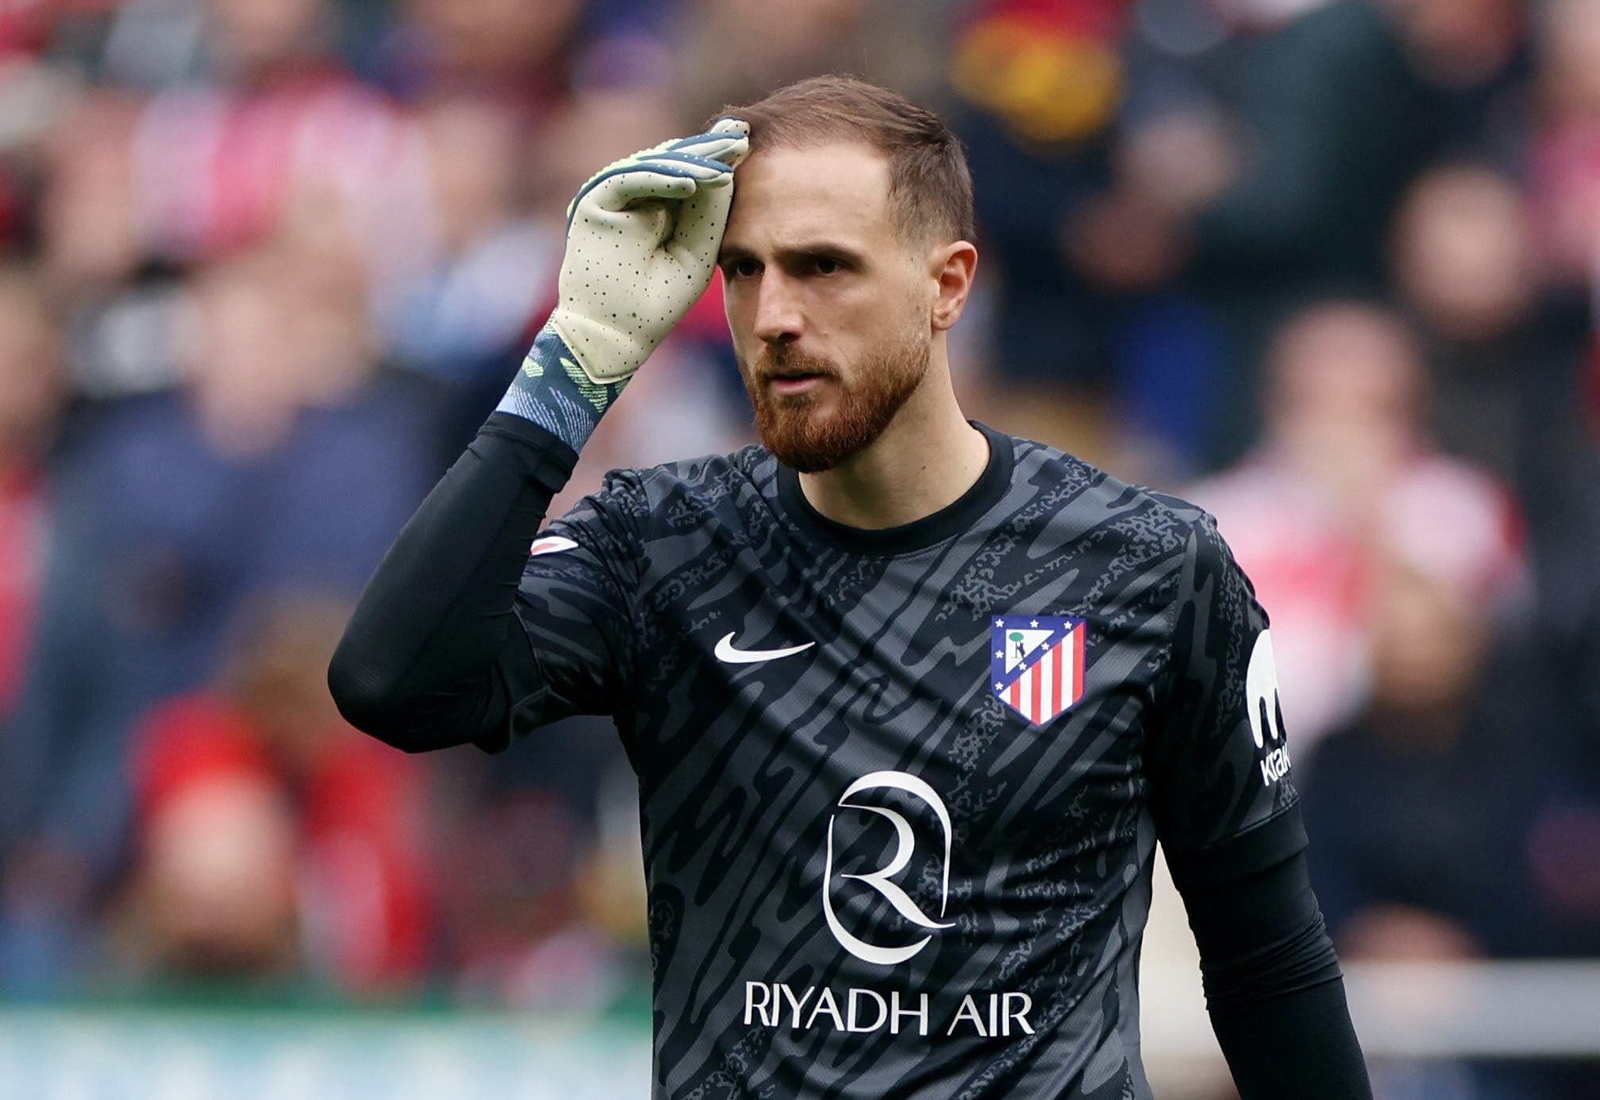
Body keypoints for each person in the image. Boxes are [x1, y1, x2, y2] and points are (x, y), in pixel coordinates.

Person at [330, 75, 1371, 1099]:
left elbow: (1267, 960)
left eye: (823, 266)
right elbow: (392, 681)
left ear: (947, 284)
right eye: (742, 270)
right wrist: (573, 362)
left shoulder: (1147, 567)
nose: (775, 314)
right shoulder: (664, 546)